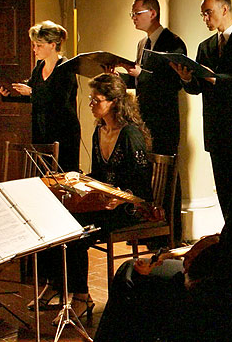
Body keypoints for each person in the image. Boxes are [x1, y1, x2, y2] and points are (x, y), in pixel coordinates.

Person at [93, 93, 232, 342]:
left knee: (130, 275)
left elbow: (219, 278)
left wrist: (186, 266)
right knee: (153, 275)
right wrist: (186, 252)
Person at [41, 73, 154, 324]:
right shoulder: (99, 131)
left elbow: (140, 186)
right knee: (57, 219)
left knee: (78, 232)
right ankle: (58, 285)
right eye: (91, 99)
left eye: (96, 99)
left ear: (114, 102)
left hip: (129, 207)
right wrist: (77, 179)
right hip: (106, 202)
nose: (91, 104)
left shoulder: (130, 134)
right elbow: (99, 174)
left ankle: (81, 297)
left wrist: (119, 199)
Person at [171, 0, 232, 217]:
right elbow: (197, 88)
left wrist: (215, 79)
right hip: (215, 129)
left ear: (224, 9)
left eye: (208, 13)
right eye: (202, 15)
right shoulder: (205, 46)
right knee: (224, 190)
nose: (205, 19)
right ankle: (230, 237)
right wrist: (186, 78)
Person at [120, 0, 186, 243]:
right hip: (144, 118)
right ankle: (149, 231)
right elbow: (141, 80)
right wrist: (121, 77)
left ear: (153, 13)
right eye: (132, 13)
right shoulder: (142, 43)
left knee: (167, 177)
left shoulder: (173, 42)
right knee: (147, 173)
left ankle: (171, 233)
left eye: (137, 12)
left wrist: (141, 74)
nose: (134, 17)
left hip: (165, 118)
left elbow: (173, 82)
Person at [0, 20, 81, 172]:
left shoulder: (66, 68)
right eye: (34, 45)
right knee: (41, 173)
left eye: (39, 45)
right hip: (41, 129)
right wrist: (9, 96)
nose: (35, 49)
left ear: (53, 45)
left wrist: (31, 92)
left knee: (62, 175)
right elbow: (33, 97)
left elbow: (59, 100)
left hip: (63, 131)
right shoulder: (39, 68)